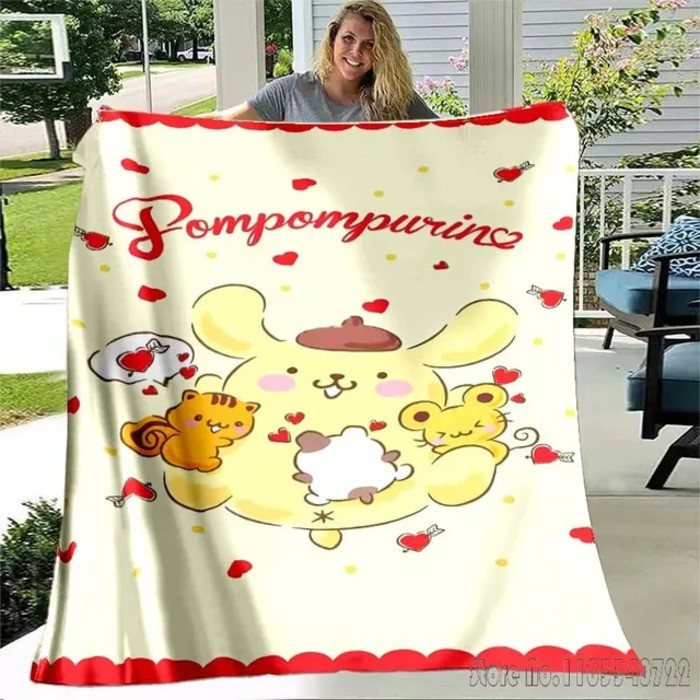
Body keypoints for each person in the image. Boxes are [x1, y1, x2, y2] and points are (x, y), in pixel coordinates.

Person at [203, 0, 438, 123]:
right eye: (348, 38)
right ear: (333, 38)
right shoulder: (290, 92)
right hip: (303, 203)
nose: (356, 51)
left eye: (369, 45)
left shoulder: (395, 98)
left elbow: (447, 138)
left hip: (373, 203)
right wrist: (178, 128)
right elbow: (224, 122)